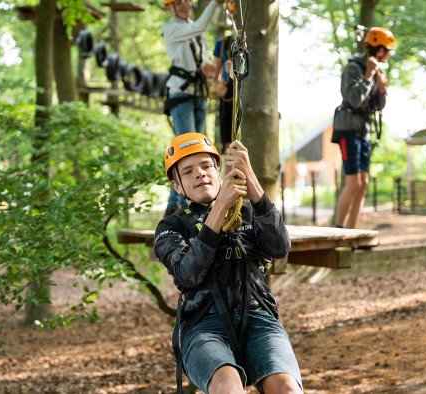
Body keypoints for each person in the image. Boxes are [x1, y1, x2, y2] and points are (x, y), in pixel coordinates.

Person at [154, 132, 303, 394]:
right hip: (204, 325)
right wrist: (219, 209)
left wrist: (251, 179)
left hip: (257, 316)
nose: (199, 174)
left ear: (218, 169)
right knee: (227, 386)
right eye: (188, 171)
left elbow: (280, 247)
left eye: (206, 166)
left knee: (287, 388)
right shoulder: (172, 227)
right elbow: (188, 274)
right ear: (177, 185)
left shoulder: (248, 211)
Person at [162, 0, 223, 217]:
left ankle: (177, 206)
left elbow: (203, 63)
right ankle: (182, 207)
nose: (183, 5)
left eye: (186, 1)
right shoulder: (171, 29)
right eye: (177, 3)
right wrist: (216, 3)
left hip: (198, 96)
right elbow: (199, 26)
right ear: (170, 8)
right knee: (186, 153)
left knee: (198, 151)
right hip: (181, 96)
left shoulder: (196, 35)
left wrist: (208, 69)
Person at [334, 27, 394, 229]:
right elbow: (354, 100)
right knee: (353, 183)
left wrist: (382, 91)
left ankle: (353, 232)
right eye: (386, 50)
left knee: (363, 184)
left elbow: (378, 106)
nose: (387, 55)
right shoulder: (354, 68)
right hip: (348, 128)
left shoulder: (376, 71)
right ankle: (339, 230)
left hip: (364, 131)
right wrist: (368, 75)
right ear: (377, 49)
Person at [213, 34, 234, 153]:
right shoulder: (222, 43)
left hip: (244, 91)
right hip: (226, 91)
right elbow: (215, 70)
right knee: (227, 137)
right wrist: (217, 86)